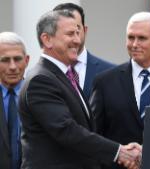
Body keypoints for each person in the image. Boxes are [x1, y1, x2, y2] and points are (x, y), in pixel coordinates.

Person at [18, 10, 141, 169]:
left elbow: (86, 128)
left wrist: (120, 149)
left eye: (78, 33)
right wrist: (120, 152)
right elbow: (67, 130)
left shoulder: (65, 76)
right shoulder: (41, 80)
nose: (77, 40)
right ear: (47, 39)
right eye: (70, 34)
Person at [90, 12, 150, 169]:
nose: (134, 44)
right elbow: (94, 135)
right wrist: (121, 155)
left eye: (142, 38)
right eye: (130, 37)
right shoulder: (104, 82)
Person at [53, 3, 115, 99]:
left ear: (85, 31)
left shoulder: (111, 73)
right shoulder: (42, 75)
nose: (72, 38)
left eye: (76, 30)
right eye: (66, 31)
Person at [0, 32, 29, 169]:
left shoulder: (39, 96)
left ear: (27, 60)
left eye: (17, 59)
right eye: (5, 60)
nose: (12, 67)